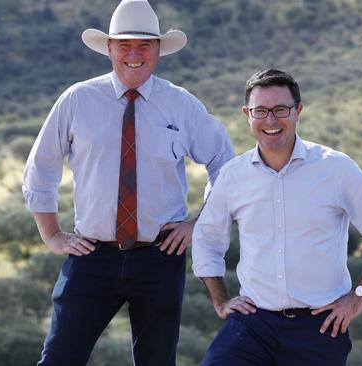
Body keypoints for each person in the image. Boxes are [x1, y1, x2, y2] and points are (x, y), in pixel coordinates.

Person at [22, 0, 234, 365]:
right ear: (108, 49)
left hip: (160, 258)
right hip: (90, 256)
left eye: (144, 45)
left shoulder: (181, 105)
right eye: (124, 45)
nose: (134, 54)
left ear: (158, 51)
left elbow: (226, 166)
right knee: (59, 358)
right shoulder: (77, 99)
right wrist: (52, 235)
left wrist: (197, 223)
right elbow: (40, 167)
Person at [192, 68, 362, 366]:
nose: (270, 120)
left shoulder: (335, 169)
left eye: (280, 109)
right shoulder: (233, 176)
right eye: (260, 111)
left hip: (319, 326)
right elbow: (206, 240)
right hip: (253, 323)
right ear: (246, 114)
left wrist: (359, 295)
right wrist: (221, 300)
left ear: (298, 111)